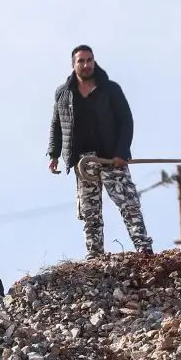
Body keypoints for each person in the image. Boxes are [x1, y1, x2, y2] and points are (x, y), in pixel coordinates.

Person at [47, 45, 153, 258]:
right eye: (81, 61)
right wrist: (54, 154)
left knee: (129, 203)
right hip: (83, 162)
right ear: (73, 64)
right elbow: (57, 124)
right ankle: (95, 256)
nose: (86, 65)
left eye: (89, 60)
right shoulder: (63, 93)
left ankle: (143, 247)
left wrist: (122, 152)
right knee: (90, 213)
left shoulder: (110, 89)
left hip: (110, 158)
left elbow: (126, 121)